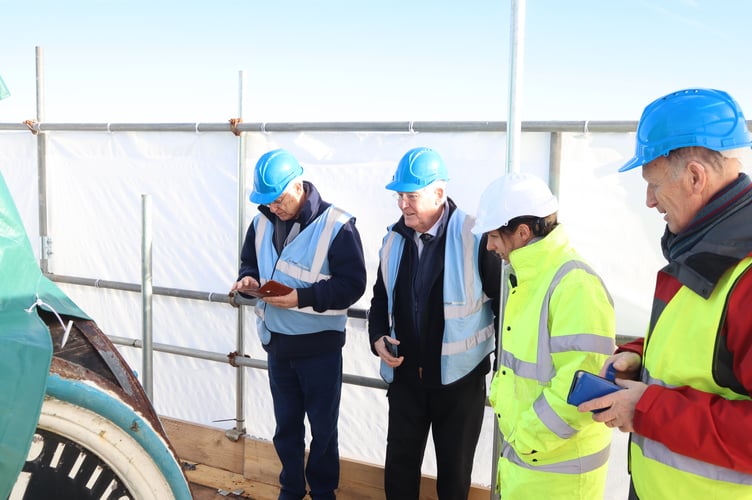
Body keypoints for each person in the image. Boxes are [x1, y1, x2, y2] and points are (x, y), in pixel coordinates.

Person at [578, 88, 752, 499]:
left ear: (695, 176)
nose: (649, 200)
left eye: (654, 185)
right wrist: (640, 356)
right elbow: (705, 351)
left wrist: (646, 408)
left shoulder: (742, 272)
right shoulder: (702, 248)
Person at [230, 148, 367, 500]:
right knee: (286, 428)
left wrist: (300, 298)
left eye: (277, 201)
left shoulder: (337, 225)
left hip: (319, 349)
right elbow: (250, 263)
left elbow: (352, 285)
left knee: (323, 431)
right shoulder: (261, 221)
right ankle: (290, 489)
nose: (273, 208)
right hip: (277, 345)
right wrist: (247, 281)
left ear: (297, 186)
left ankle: (322, 493)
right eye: (267, 202)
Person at [367, 147, 501, 499]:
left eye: (411, 196)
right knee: (399, 471)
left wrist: (504, 369)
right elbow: (380, 298)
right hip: (406, 378)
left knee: (454, 479)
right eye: (400, 196)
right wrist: (377, 335)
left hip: (460, 382)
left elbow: (505, 308)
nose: (403, 205)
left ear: (439, 194)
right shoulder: (393, 239)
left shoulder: (477, 236)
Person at [472, 172, 616, 499]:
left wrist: (525, 439)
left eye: (493, 236)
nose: (490, 246)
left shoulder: (574, 284)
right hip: (531, 462)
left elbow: (580, 382)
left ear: (522, 232)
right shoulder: (529, 278)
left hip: (556, 472)